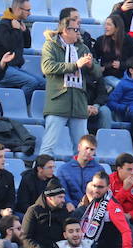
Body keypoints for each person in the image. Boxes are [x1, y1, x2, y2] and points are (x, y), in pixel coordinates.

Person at [40, 16, 103, 157]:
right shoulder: (50, 45)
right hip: (58, 103)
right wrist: (75, 65)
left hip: (79, 103)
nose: (78, 32)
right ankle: (38, 174)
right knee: (48, 147)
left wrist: (91, 65)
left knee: (82, 150)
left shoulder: (83, 48)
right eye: (75, 29)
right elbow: (47, 67)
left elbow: (98, 73)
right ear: (65, 30)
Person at [0, 0, 44, 100]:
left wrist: (25, 32)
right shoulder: (3, 25)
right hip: (2, 69)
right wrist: (16, 30)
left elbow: (27, 45)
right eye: (27, 10)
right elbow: (10, 46)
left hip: (15, 68)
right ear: (18, 9)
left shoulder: (18, 23)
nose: (30, 13)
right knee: (31, 82)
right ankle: (14, 105)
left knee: (43, 83)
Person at [21, 176, 70, 248]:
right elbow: (25, 239)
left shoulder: (64, 212)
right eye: (60, 197)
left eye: (63, 197)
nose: (63, 200)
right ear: (49, 198)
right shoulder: (33, 211)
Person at [93, 15, 133, 90]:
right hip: (108, 76)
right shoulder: (100, 41)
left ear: (117, 27)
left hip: (126, 75)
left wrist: (122, 65)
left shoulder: (128, 40)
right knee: (119, 85)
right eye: (105, 24)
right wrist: (98, 67)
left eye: (109, 24)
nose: (105, 27)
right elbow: (94, 57)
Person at [57, 134, 102, 206]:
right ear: (79, 147)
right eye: (86, 148)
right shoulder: (63, 170)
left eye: (92, 149)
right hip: (69, 209)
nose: (89, 152)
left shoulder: (99, 170)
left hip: (92, 208)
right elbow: (62, 190)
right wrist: (68, 202)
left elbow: (102, 192)